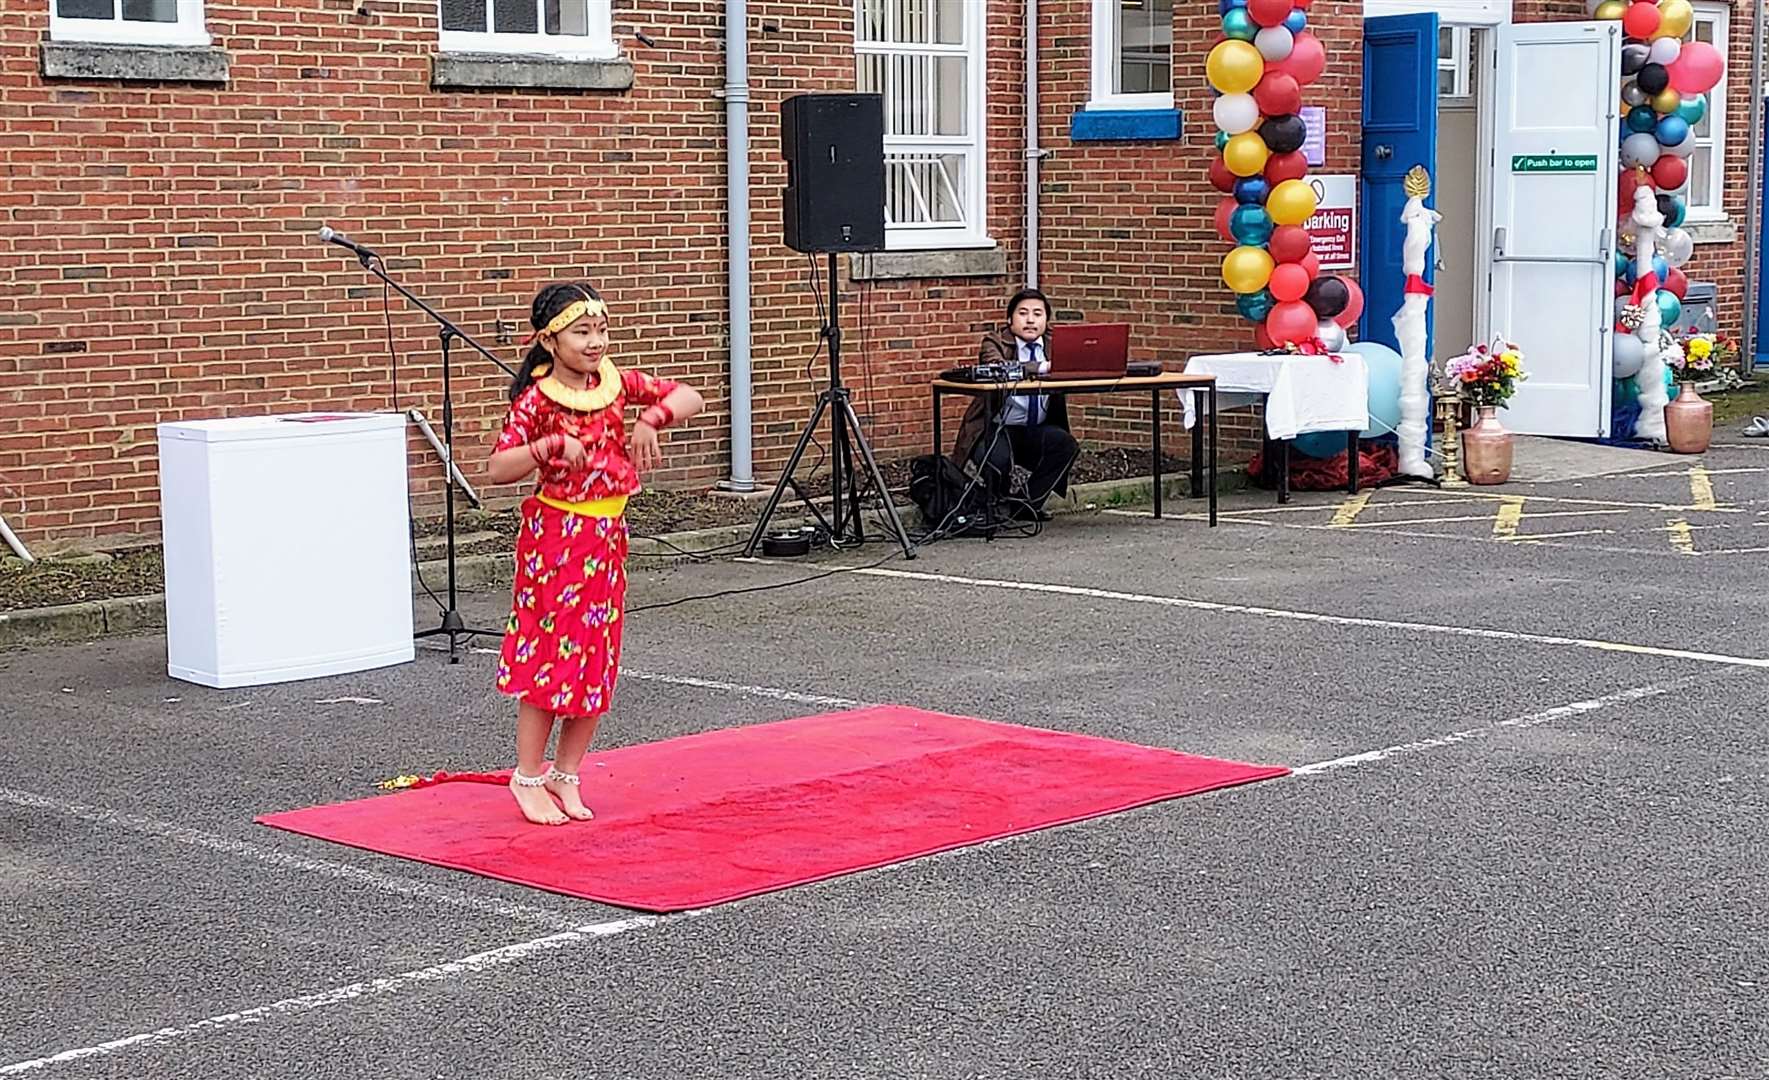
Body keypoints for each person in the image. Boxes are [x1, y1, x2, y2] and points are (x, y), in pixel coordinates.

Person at [486, 282, 703, 826]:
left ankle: (567, 771)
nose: (595, 342)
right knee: (550, 657)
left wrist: (651, 419)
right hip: (558, 539)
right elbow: (497, 468)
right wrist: (549, 447)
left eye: (601, 330)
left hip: (607, 538)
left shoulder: (615, 384)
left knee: (595, 658)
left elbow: (688, 395)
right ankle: (527, 775)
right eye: (582, 332)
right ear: (551, 341)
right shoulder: (537, 400)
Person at [951, 287, 1079, 520]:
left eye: (1038, 314)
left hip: (1035, 429)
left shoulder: (1057, 344)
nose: (1030, 320)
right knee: (996, 459)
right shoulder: (994, 342)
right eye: (1023, 313)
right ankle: (994, 507)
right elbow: (997, 369)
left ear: (1046, 320)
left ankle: (1025, 506)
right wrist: (1041, 368)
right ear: (1010, 319)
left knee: (1065, 445)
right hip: (998, 427)